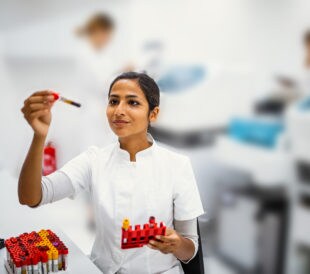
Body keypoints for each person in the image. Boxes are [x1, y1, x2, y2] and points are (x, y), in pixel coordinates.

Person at [18, 72, 204, 274]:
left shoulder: (177, 165)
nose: (119, 110)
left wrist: (176, 244)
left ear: (153, 114)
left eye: (133, 103)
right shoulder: (94, 160)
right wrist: (39, 135)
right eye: (113, 101)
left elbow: (190, 250)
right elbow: (31, 196)